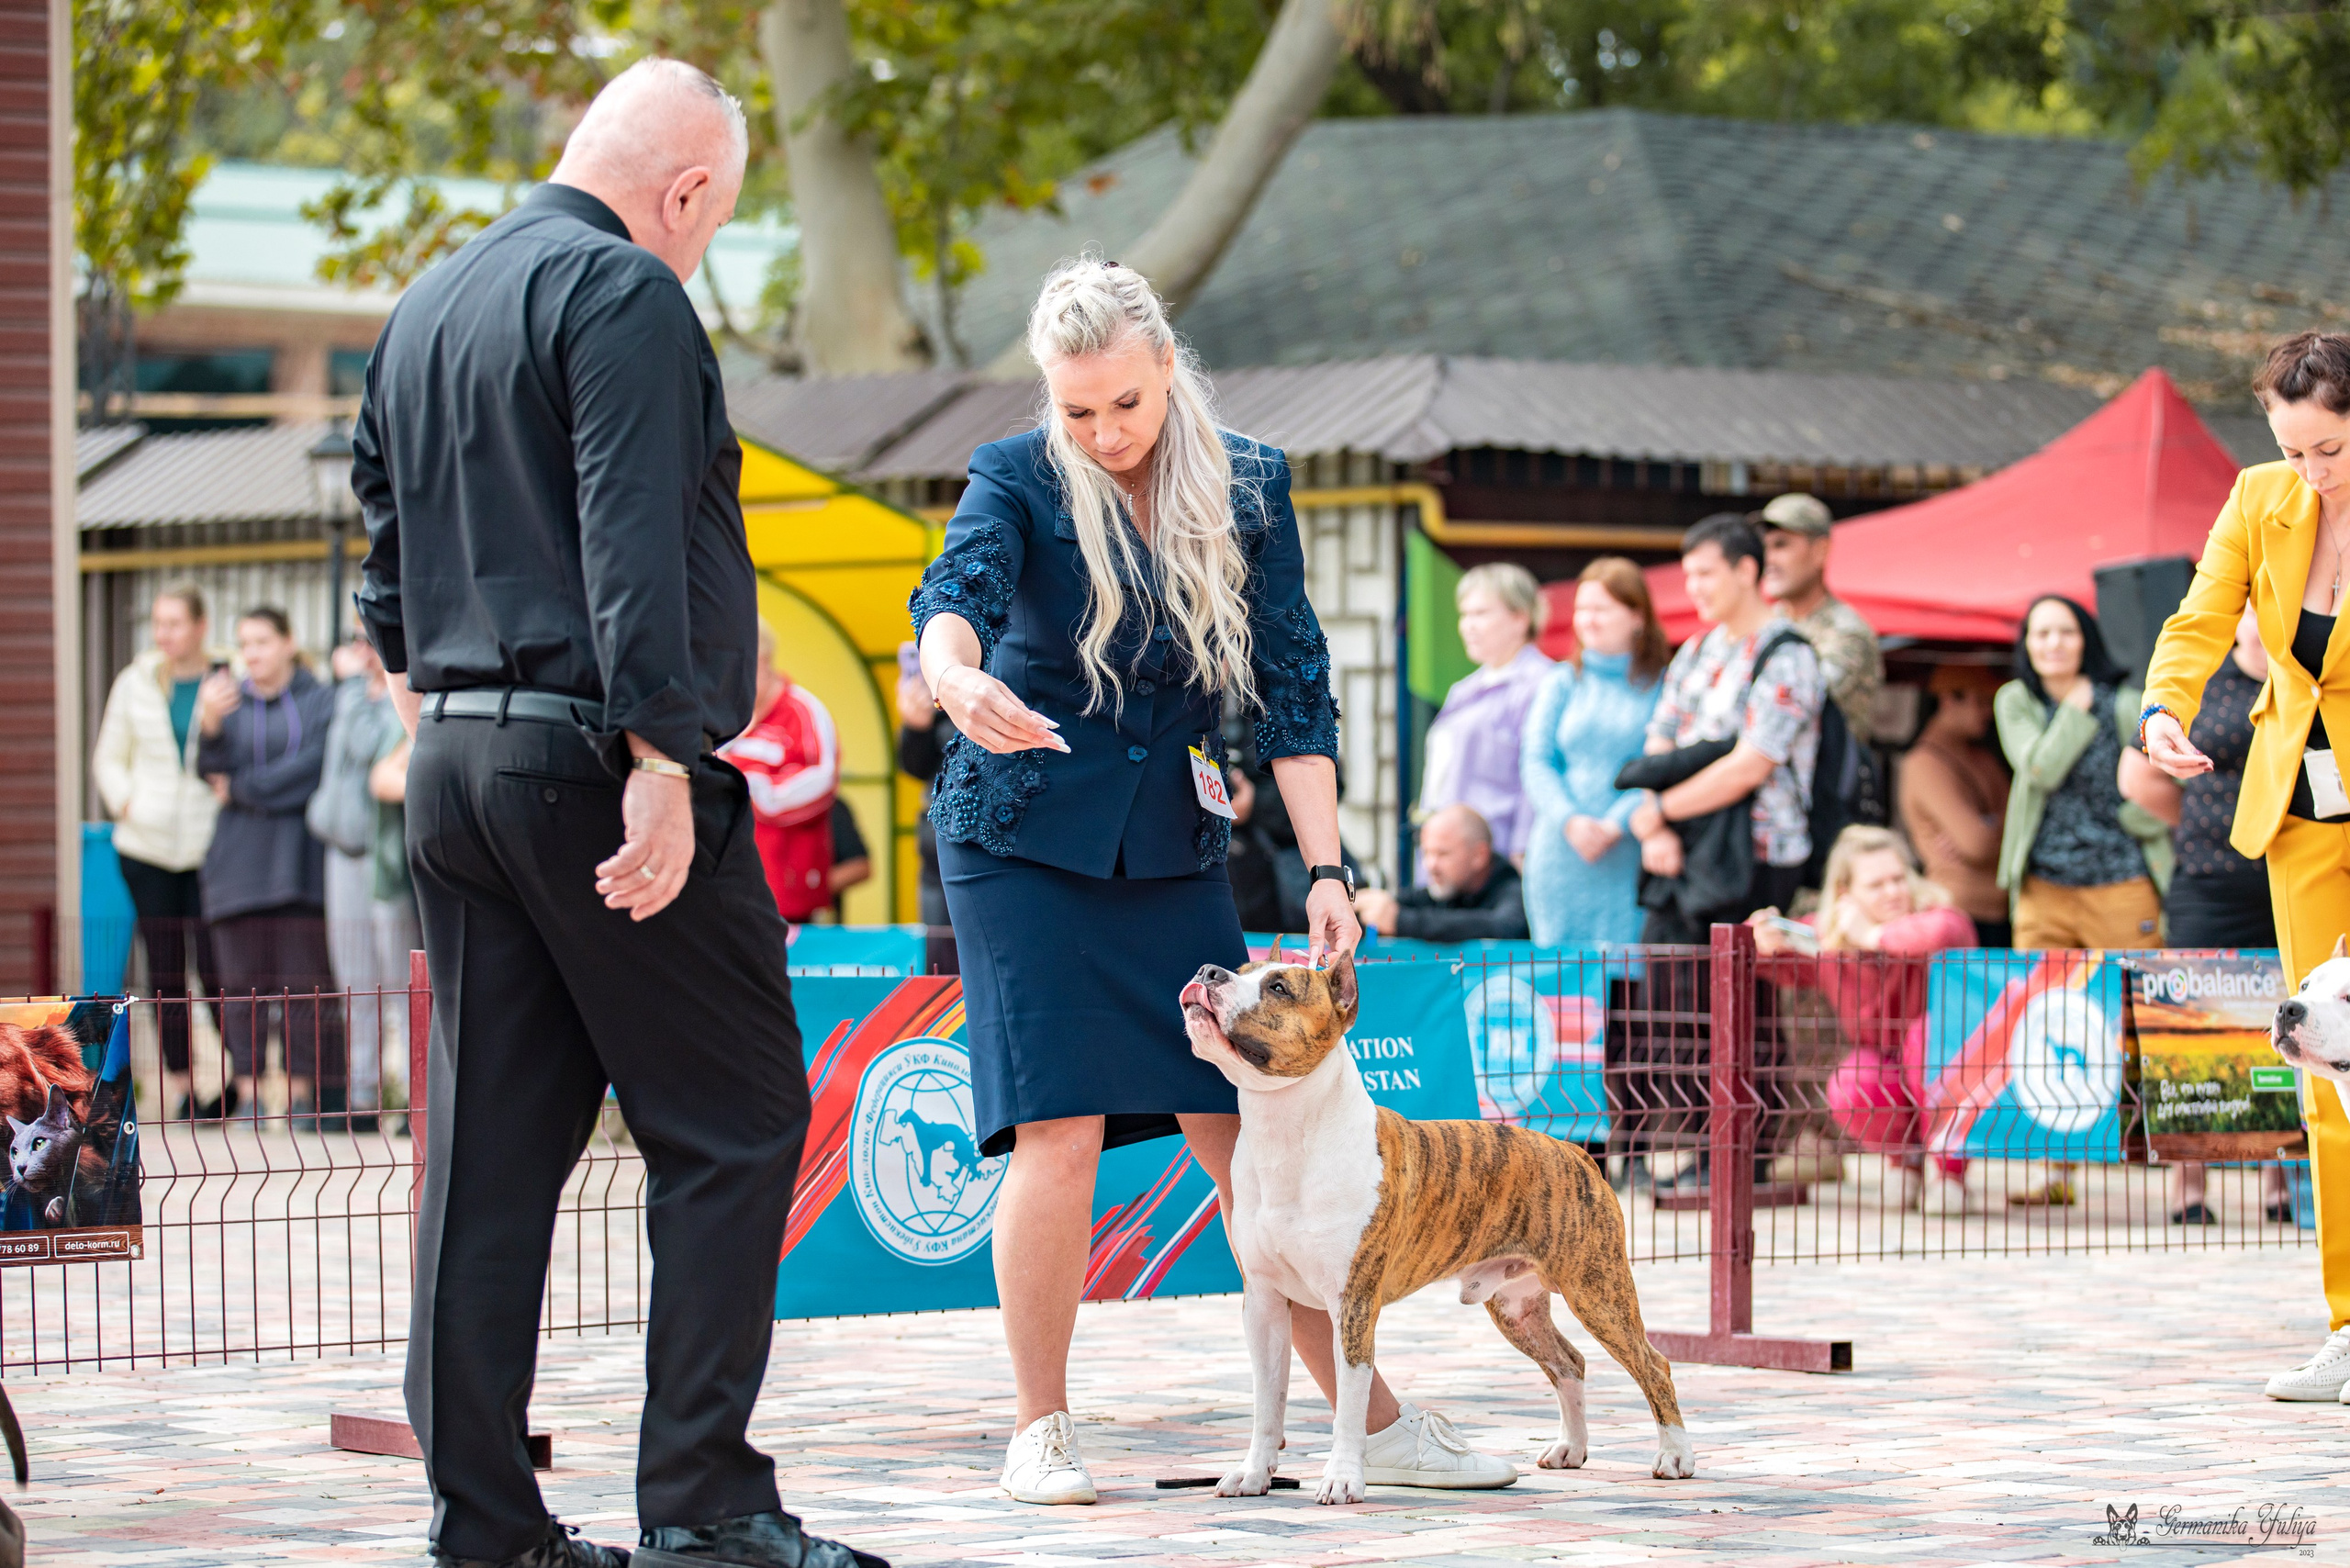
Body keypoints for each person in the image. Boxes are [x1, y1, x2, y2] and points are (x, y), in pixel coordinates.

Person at [352, 61, 881, 1568]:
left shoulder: (425, 304)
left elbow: (380, 559)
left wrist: (445, 716)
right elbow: (631, 533)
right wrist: (659, 757)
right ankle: (704, 1506)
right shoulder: (625, 292)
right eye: (714, 219)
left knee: (489, 1159)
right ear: (687, 190)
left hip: (454, 760)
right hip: (597, 762)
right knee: (737, 1119)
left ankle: (485, 1528)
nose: (701, 248)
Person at [911, 255, 1516, 1508]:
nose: (1104, 432)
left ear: (1167, 368)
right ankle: (1040, 1430)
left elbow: (1293, 684)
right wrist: (954, 675)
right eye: (1077, 409)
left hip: (1171, 844)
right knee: (1059, 1127)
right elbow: (957, 589)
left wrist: (1328, 867)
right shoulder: (1015, 473)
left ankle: (1372, 1424)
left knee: (1248, 1134)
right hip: (1017, 836)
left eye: (1125, 403)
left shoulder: (1248, 483)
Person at [2141, 330, 2350, 1396]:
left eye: (2330, 450)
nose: (2309, 471)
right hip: (2299, 813)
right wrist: (2161, 710)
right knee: (2326, 1069)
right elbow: (2198, 619)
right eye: (2291, 449)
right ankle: (2349, 1325)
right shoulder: (2257, 497)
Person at [1751, 826, 1978, 1214]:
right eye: (1876, 885)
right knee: (1852, 1082)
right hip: (1882, 1062)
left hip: (1949, 1061)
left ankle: (1949, 1172)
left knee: (1923, 1041)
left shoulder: (1937, 915)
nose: (1893, 891)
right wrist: (1759, 937)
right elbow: (1769, 957)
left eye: (1898, 879)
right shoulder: (1829, 933)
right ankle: (1902, 1162)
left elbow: (1943, 932)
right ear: (1846, 894)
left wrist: (1872, 935)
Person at [1628, 512, 1827, 942]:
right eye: (1688, 575)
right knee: (1667, 977)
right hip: (1686, 846)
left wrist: (1660, 811)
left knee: (1739, 981)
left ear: (1746, 571)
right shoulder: (1696, 649)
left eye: (1705, 573)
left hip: (1758, 855)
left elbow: (1749, 766)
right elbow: (1661, 738)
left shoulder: (1787, 655)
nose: (1693, 587)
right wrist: (1658, 828)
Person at [196, 607, 341, 1123]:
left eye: (262, 641)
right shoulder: (225, 701)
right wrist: (209, 724)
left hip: (300, 865)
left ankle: (301, 1099)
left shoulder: (322, 699)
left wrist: (242, 789)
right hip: (236, 867)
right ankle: (251, 1097)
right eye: (244, 644)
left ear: (288, 642)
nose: (252, 653)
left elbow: (313, 769)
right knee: (240, 990)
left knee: (304, 988)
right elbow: (206, 769)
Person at [91, 584, 224, 1119]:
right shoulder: (135, 681)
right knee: (165, 971)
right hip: (146, 847)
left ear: (200, 626)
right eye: (158, 623)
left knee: (217, 966)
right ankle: (184, 1084)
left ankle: (231, 1079)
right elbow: (108, 757)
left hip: (210, 845)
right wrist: (128, 803)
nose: (163, 633)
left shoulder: (226, 678)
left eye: (175, 623)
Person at [1994, 596, 2172, 950]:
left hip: (2121, 882)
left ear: (2086, 640)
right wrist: (2075, 710)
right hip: (2043, 887)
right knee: (2043, 987)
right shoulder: (2016, 700)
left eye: (2067, 632)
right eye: (2041, 633)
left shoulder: (2125, 704)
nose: (2054, 643)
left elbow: (2170, 777)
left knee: (2131, 986)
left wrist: (2137, 818)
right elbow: (2041, 770)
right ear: (2026, 644)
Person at [1518, 557, 1669, 947]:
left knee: (1624, 976)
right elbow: (1536, 760)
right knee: (1560, 977)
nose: (1588, 619)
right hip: (1559, 851)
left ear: (1637, 616)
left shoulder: (1663, 685)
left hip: (1628, 851)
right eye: (1582, 609)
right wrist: (1570, 820)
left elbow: (1662, 767)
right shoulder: (1561, 681)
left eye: (1601, 608)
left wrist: (1614, 825)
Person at [308, 638, 416, 1130]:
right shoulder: (351, 696)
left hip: (386, 860)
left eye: (368, 639)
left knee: (400, 981)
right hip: (342, 850)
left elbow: (370, 749)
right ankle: (363, 1097)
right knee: (354, 982)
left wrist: (354, 684)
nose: (361, 649)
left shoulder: (403, 695)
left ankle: (412, 1097)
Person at [1415, 563, 1552, 864]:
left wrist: (1522, 851)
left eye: (1480, 613)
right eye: (1464, 614)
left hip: (1500, 861)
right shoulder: (1464, 689)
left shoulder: (1543, 684)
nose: (1468, 625)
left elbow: (1539, 773)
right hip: (1447, 858)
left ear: (1520, 618)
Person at [721, 622, 841, 923]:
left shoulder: (803, 710)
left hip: (786, 891)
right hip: (727, 887)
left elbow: (822, 781)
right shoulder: (723, 715)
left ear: (761, 660)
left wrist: (750, 788)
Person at [1896, 664, 2011, 947]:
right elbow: (1977, 845)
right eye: (1980, 701)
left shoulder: (1982, 759)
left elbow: (2025, 824)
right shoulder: (1924, 763)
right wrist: (1998, 826)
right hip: (1958, 912)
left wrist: (1989, 826)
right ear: (1948, 700)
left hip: (2002, 911)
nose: (1988, 712)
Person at [1758, 492, 1883, 744]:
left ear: (1820, 551)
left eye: (1781, 545)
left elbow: (1796, 706)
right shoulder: (1767, 623)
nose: (1768, 559)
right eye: (1764, 547)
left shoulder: (1846, 631)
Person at [1354, 804, 1528, 941]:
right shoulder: (1449, 888)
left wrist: (1401, 922)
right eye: (1426, 853)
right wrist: (1367, 909)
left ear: (1479, 855)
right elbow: (1405, 904)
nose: (1430, 865)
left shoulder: (1512, 890)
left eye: (1442, 854)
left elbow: (1503, 927)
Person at [895, 650, 955, 927]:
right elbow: (914, 768)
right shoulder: (938, 686)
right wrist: (915, 727)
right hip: (939, 847)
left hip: (999, 834)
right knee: (939, 944)